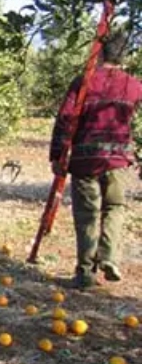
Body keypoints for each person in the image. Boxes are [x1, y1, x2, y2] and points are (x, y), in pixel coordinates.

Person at [50, 31, 142, 289]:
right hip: (117, 158)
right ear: (124, 55)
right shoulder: (133, 85)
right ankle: (109, 256)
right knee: (115, 207)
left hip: (85, 158)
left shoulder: (85, 82)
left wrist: (57, 155)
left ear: (100, 53)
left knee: (87, 213)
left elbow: (66, 119)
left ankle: (86, 272)